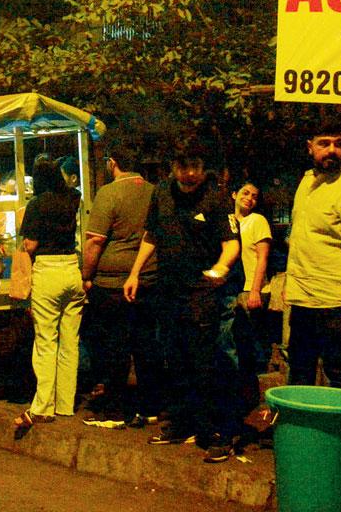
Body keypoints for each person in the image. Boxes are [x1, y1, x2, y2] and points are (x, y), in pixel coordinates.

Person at [125, 139, 243, 463]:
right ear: (172, 167)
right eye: (183, 166)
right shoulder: (162, 192)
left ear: (203, 168)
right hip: (169, 290)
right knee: (175, 360)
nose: (189, 173)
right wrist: (135, 272)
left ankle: (220, 431)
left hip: (203, 292)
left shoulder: (216, 196)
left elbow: (231, 244)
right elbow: (152, 235)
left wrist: (218, 270)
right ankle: (180, 423)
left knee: (209, 362)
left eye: (195, 167)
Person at [284, 124, 341, 390]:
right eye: (324, 143)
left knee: (340, 373)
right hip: (303, 298)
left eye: (339, 143)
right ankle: (301, 431)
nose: (332, 150)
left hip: (336, 301)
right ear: (310, 146)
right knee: (299, 371)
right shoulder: (307, 182)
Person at [80, 144, 162, 428]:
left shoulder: (108, 193)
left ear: (112, 163)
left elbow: (95, 241)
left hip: (113, 281)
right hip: (149, 276)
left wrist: (86, 274)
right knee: (145, 343)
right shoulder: (154, 191)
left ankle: (114, 410)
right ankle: (150, 407)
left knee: (113, 345)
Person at [13, 158, 85, 436]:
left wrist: (23, 243)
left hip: (48, 271)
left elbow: (30, 244)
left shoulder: (37, 204)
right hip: (71, 270)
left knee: (46, 341)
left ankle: (43, 406)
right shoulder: (72, 199)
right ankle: (65, 403)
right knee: (70, 341)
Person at [233, 181, 275, 391]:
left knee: (254, 341)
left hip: (253, 287)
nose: (249, 198)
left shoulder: (257, 221)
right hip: (236, 287)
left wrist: (256, 290)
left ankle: (259, 390)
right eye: (245, 193)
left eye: (254, 196)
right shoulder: (230, 223)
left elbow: (262, 258)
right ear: (234, 195)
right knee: (239, 341)